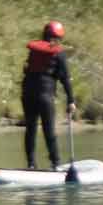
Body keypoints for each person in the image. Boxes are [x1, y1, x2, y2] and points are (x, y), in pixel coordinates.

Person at [22, 19, 76, 171]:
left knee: (30, 128)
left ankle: (31, 164)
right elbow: (65, 78)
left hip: (27, 94)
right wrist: (71, 100)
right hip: (44, 96)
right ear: (58, 37)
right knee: (49, 130)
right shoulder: (59, 54)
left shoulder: (33, 51)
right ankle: (56, 164)